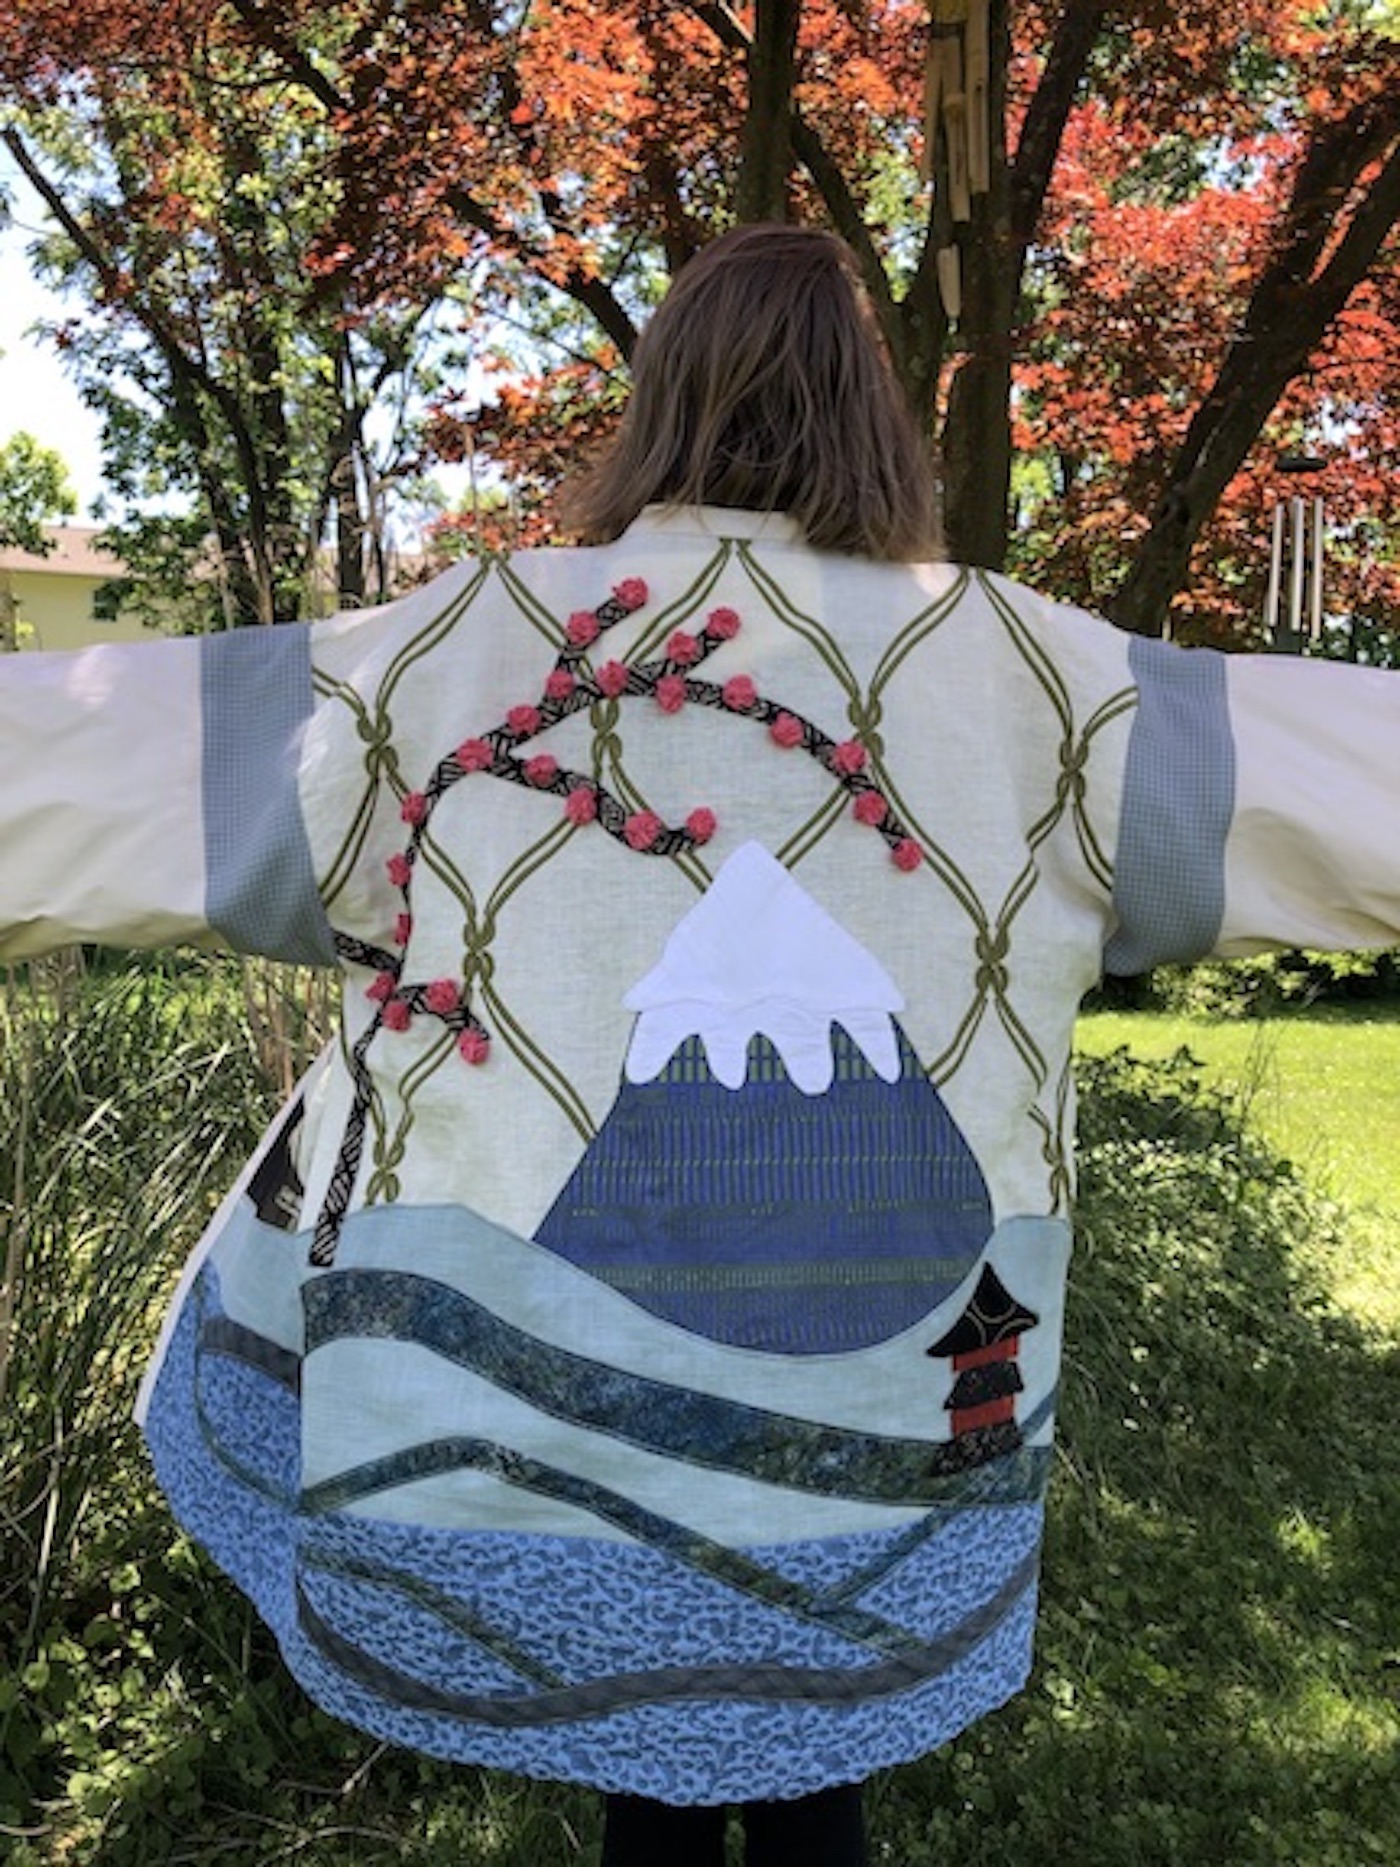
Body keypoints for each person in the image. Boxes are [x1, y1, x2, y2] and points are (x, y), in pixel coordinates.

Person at [2, 223, 1398, 1866]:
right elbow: (1345, 778)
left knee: (639, 1786)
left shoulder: (453, 656)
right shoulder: (1041, 682)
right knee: (822, 1772)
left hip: (552, 1431)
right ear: (870, 411)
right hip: (891, 1407)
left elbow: (106, 781)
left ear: (660, 401)